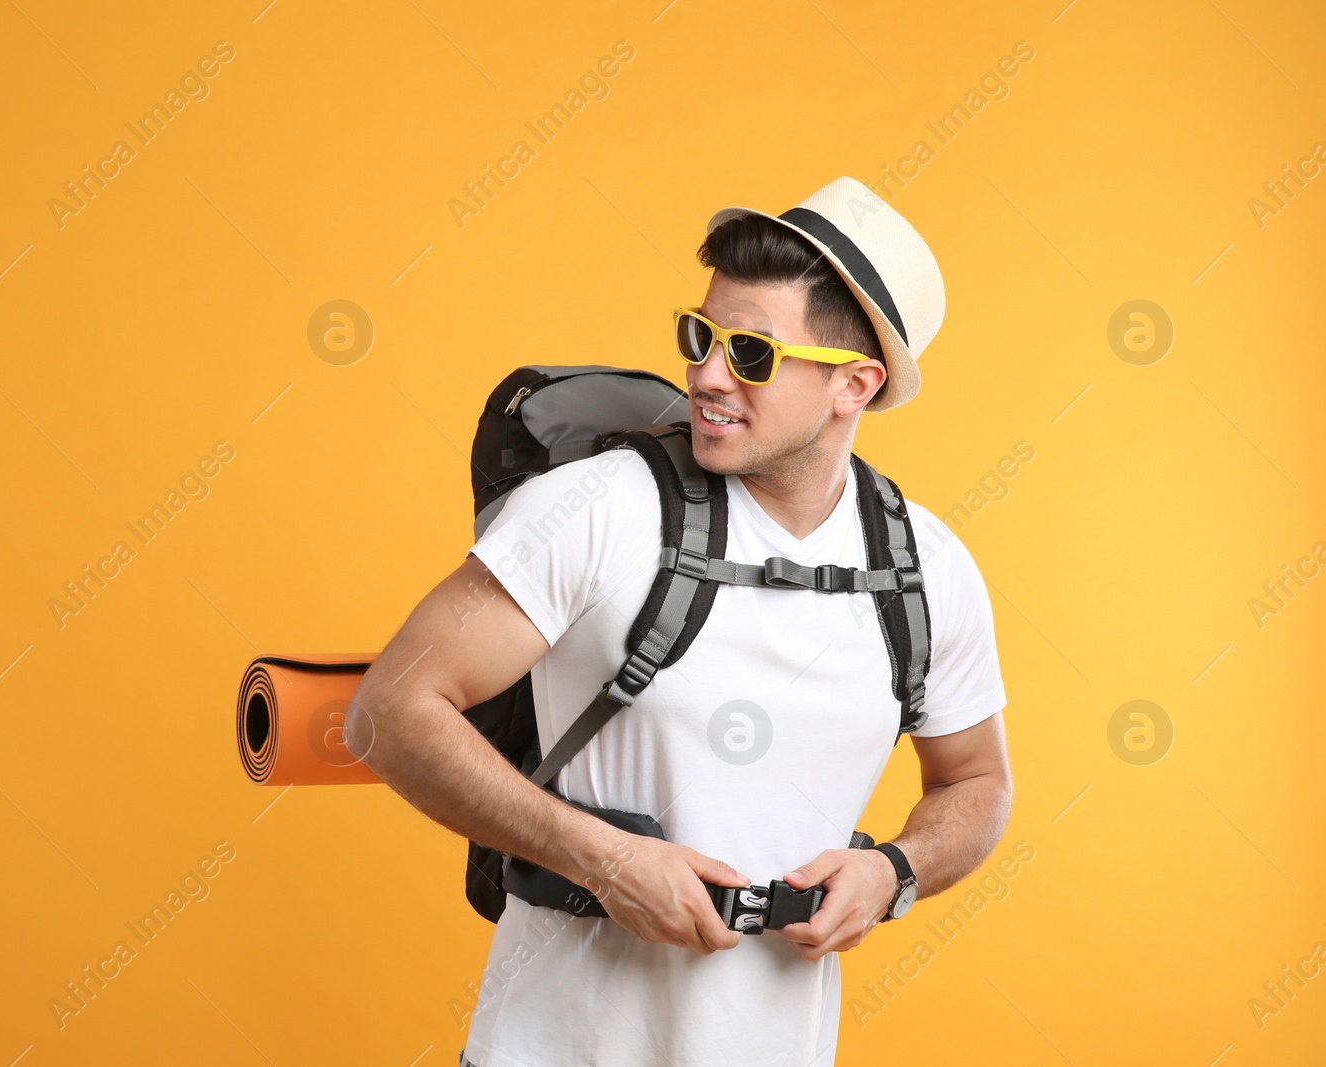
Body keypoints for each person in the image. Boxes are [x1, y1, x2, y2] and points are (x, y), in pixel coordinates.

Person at [347, 176, 1012, 1066]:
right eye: (702, 337)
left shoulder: (928, 566)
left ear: (854, 384)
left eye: (753, 354)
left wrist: (897, 871)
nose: (704, 376)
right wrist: (604, 859)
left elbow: (977, 784)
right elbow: (389, 708)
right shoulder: (594, 507)